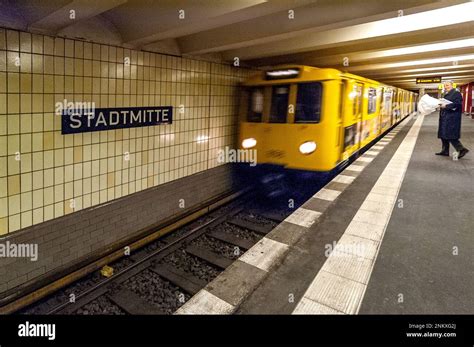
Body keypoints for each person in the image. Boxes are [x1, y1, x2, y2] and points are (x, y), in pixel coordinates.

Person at [436, 80, 469, 158]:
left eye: (447, 85)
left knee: (450, 135)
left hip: (452, 118)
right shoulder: (446, 94)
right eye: (445, 86)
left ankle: (461, 149)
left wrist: (446, 106)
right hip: (445, 117)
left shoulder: (456, 93)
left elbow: (458, 104)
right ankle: (445, 151)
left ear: (452, 85)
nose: (446, 87)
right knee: (443, 134)